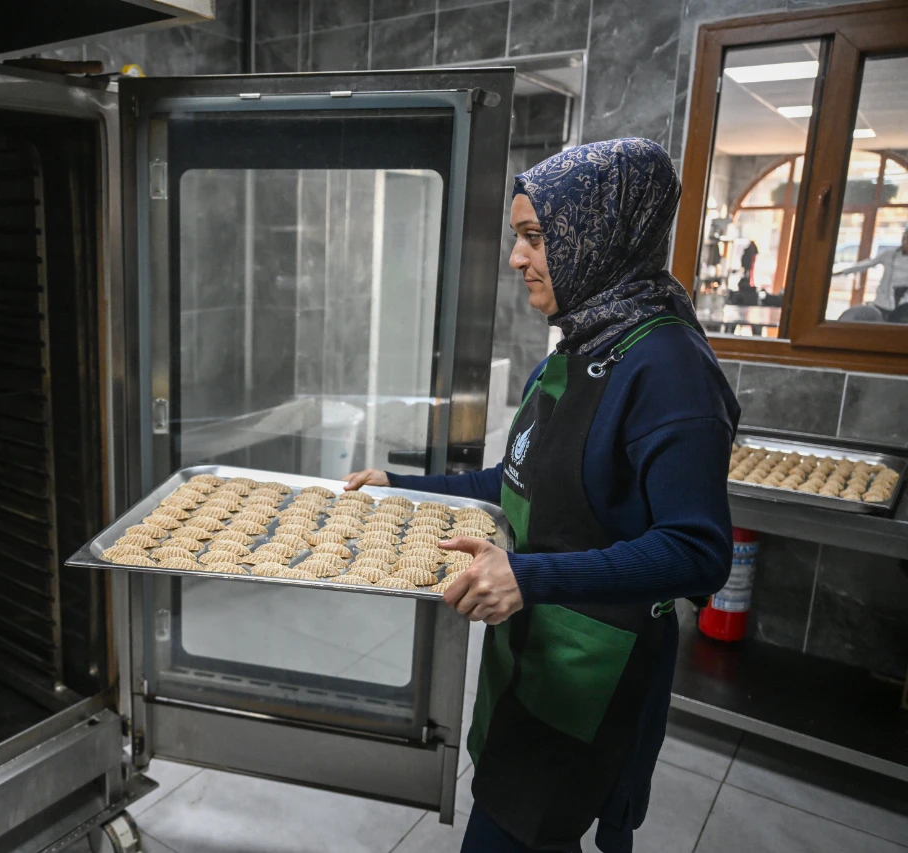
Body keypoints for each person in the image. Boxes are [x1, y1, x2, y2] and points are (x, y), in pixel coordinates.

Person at [344, 138, 740, 853]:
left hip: (593, 674)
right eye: (517, 237)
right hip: (532, 657)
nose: (516, 258)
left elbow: (698, 552)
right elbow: (514, 481)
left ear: (598, 233)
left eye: (534, 236)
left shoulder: (669, 369)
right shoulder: (580, 348)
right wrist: (399, 488)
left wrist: (527, 576)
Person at [833, 226, 908, 318]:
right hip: (884, 302)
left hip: (904, 303)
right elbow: (867, 264)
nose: (905, 243)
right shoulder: (889, 254)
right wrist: (843, 272)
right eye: (905, 238)